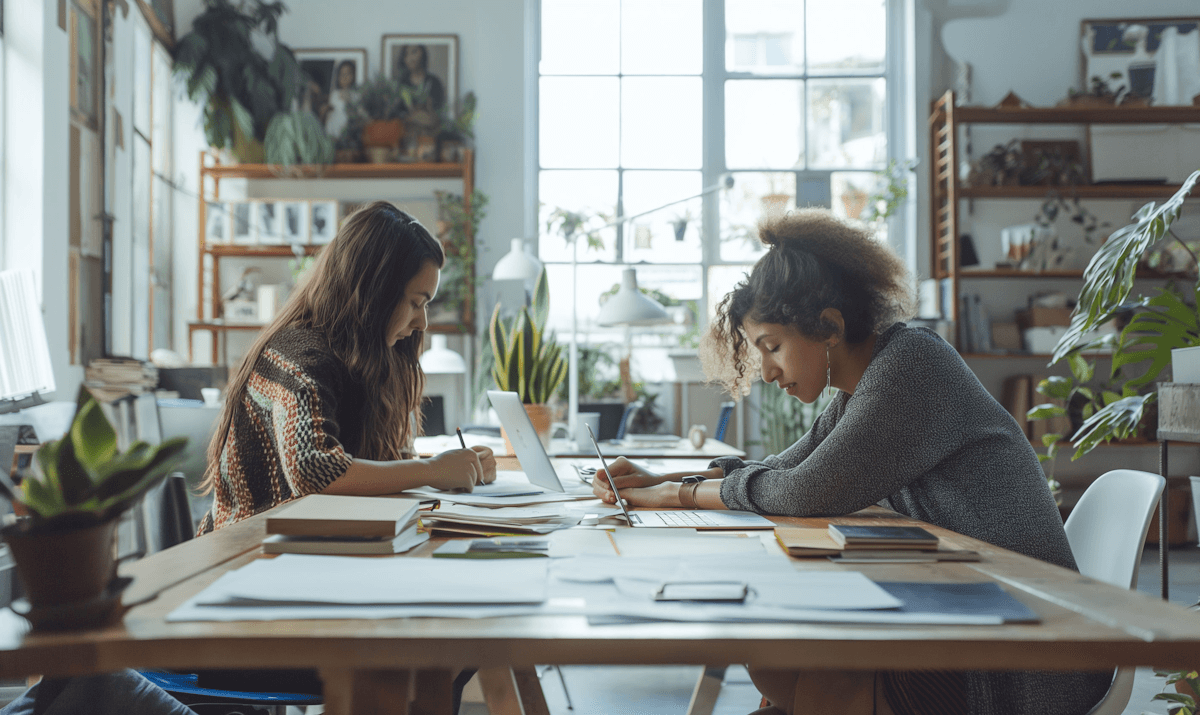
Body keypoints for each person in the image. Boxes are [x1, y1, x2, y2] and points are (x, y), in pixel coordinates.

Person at [591, 209, 1111, 715]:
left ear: (830, 326)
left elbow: (804, 490)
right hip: (965, 612)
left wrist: (678, 494)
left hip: (1024, 657)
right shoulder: (860, 389)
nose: (767, 371)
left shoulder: (912, 367)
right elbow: (783, 466)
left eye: (772, 347)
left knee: (804, 668)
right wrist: (662, 480)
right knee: (773, 660)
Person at [198, 201, 495, 534]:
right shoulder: (297, 356)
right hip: (244, 545)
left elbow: (372, 468)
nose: (422, 323)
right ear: (375, 292)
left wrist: (457, 468)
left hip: (309, 539)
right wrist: (433, 471)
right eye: (416, 302)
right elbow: (314, 470)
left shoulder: (363, 357)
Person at [396, 44, 446, 113]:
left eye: (414, 52)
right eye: (406, 55)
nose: (410, 58)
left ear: (422, 54)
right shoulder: (401, 83)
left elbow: (439, 109)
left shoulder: (434, 82)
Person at [324, 59, 356, 138]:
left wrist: (349, 100)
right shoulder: (334, 94)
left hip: (349, 133)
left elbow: (356, 114)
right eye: (341, 74)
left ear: (353, 76)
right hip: (334, 131)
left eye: (348, 74)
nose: (344, 77)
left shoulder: (356, 95)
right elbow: (330, 113)